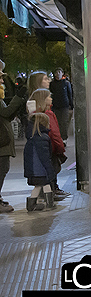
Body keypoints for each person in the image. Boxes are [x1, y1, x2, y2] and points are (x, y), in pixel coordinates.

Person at [28, 89, 68, 200]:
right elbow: (55, 134)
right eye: (49, 97)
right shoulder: (48, 114)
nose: (51, 98)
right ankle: (50, 197)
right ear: (43, 100)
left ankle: (35, 201)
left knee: (41, 179)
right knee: (50, 174)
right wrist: (60, 148)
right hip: (51, 149)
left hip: (40, 150)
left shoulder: (34, 116)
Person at [0, 59, 28, 213]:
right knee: (2, 169)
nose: (3, 80)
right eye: (0, 77)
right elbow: (4, 113)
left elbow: (5, 115)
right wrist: (17, 99)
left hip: (3, 140)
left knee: (3, 168)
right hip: (1, 141)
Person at [24, 112, 56, 211]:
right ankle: (49, 203)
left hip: (33, 170)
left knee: (38, 186)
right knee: (46, 184)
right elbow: (45, 157)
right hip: (41, 169)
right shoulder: (43, 138)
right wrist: (50, 170)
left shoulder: (31, 138)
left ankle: (31, 205)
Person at [49, 68, 73, 140]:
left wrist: (71, 105)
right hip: (56, 106)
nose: (58, 73)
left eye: (59, 72)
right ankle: (58, 138)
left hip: (64, 106)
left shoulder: (66, 83)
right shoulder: (52, 84)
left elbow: (70, 94)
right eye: (56, 72)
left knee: (64, 123)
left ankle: (64, 138)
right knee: (57, 123)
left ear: (62, 73)